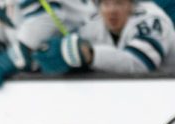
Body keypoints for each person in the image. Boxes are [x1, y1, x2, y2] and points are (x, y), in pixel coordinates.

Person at [33, 0, 175, 74]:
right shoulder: (93, 23)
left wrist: (90, 54)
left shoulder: (153, 20)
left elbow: (139, 64)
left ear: (132, 5)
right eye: (106, 3)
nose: (112, 10)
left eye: (119, 3)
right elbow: (74, 49)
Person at [0, 0, 96, 88]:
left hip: (88, 53)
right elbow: (7, 19)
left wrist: (15, 55)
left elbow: (47, 17)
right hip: (60, 66)